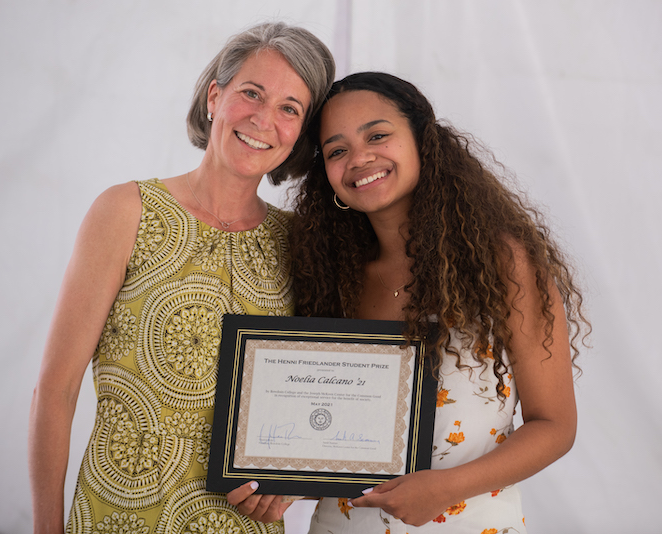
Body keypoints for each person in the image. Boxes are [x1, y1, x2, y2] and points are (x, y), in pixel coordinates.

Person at [229, 72, 590, 532]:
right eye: (337, 151)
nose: (359, 159)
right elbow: (336, 435)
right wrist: (289, 479)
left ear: (423, 141)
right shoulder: (327, 275)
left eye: (378, 135)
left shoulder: (502, 262)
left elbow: (555, 426)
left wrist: (445, 488)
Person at [28, 22, 335, 534]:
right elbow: (55, 390)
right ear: (215, 97)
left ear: (300, 134)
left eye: (289, 108)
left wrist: (297, 475)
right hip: (120, 516)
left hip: (243, 524)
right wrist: (45, 528)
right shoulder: (127, 211)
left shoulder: (299, 242)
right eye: (251, 93)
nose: (263, 118)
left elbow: (323, 396)